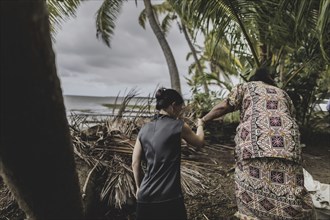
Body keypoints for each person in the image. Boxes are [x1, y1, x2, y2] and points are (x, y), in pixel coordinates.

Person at [202, 67, 315, 219]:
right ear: (269, 80)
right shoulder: (283, 93)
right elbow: (291, 117)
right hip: (288, 144)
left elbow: (224, 106)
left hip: (254, 145)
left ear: (253, 79)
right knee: (289, 186)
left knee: (250, 183)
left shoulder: (245, 87)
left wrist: (203, 120)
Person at [132, 88, 205, 220]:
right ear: (173, 106)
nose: (181, 111)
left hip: (145, 197)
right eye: (180, 107)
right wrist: (200, 125)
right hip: (169, 197)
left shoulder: (144, 129)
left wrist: (138, 187)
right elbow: (199, 142)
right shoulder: (179, 126)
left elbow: (135, 163)